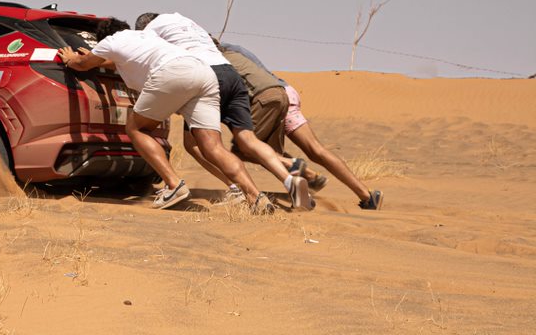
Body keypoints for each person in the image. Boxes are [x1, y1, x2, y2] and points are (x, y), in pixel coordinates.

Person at [59, 18, 275, 214]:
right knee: (213, 146)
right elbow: (118, 61)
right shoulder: (147, 36)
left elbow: (83, 64)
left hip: (171, 73)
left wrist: (70, 59)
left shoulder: (111, 41)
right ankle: (256, 196)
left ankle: (173, 186)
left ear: (103, 38)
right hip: (203, 72)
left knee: (136, 129)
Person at [136, 12, 313, 210]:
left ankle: (236, 188)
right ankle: (290, 181)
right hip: (231, 75)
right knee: (248, 140)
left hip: (205, 78)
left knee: (196, 144)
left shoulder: (152, 33)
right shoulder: (187, 24)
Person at [218, 41, 385, 211]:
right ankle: (367, 196)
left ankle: (293, 165)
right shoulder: (234, 49)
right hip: (286, 91)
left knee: (245, 149)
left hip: (266, 98)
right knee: (316, 150)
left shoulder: (214, 58)